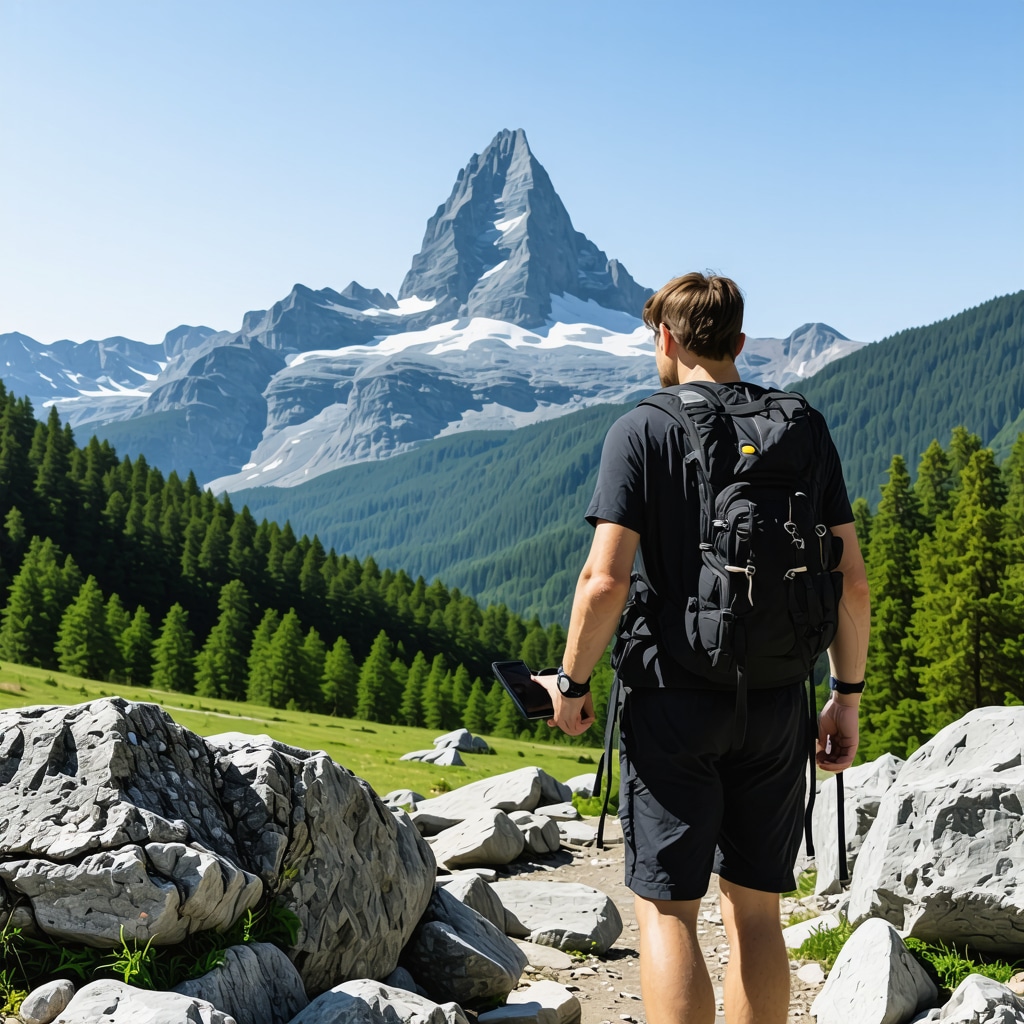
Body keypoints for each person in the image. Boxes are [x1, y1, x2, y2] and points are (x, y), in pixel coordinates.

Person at [534, 272, 870, 1024]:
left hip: (673, 699)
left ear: (666, 338)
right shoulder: (803, 428)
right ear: (739, 342)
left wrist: (571, 683)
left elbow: (604, 581)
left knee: (669, 911)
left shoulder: (642, 429)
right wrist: (844, 699)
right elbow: (851, 584)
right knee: (756, 911)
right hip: (778, 699)